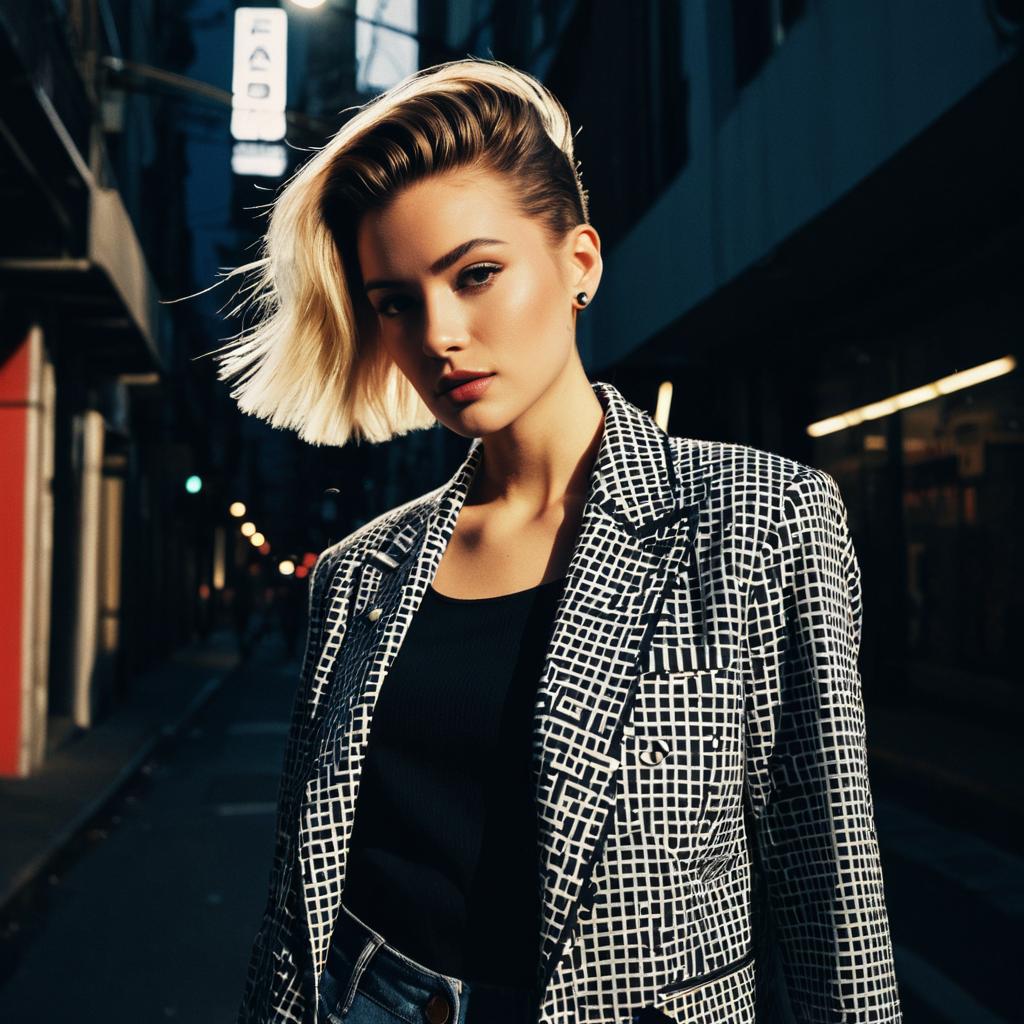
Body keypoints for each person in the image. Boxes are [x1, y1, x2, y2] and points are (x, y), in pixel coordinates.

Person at [214, 57, 903, 1024]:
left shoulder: (760, 520)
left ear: (580, 262)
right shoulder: (364, 572)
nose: (439, 334)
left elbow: (830, 893)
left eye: (477, 274)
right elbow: (299, 906)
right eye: (396, 302)